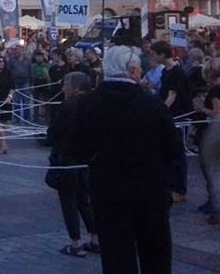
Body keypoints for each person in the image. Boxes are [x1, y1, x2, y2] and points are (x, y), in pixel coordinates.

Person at [73, 45, 182, 274]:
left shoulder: (87, 103)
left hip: (108, 188)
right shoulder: (152, 104)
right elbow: (173, 148)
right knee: (155, 252)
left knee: (116, 254)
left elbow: (75, 146)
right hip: (149, 187)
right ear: (132, 71)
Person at [46, 72, 99, 258]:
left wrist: (50, 138)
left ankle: (75, 243)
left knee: (68, 201)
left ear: (76, 88)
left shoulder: (68, 106)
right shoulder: (95, 104)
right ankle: (95, 238)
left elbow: (53, 132)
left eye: (66, 85)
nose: (63, 89)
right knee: (85, 200)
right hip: (87, 160)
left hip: (67, 159)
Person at [152, 40, 192, 203]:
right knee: (168, 152)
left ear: (162, 54)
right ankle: (170, 185)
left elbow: (171, 96)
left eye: (154, 54)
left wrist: (160, 113)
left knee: (178, 153)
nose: (152, 57)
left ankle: (180, 189)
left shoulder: (176, 71)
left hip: (177, 115)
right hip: (169, 116)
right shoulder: (166, 71)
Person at [194, 57, 220, 224]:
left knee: (212, 170)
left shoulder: (215, 91)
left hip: (216, 131)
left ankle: (215, 206)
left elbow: (217, 112)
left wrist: (201, 107)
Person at [6, 45, 32, 123]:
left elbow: (30, 72)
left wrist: (31, 84)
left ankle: (26, 118)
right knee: (16, 101)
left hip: (25, 82)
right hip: (15, 82)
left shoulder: (27, 60)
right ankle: (16, 118)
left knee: (26, 102)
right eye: (16, 50)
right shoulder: (11, 60)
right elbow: (9, 71)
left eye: (19, 49)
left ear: (22, 50)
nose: (17, 51)